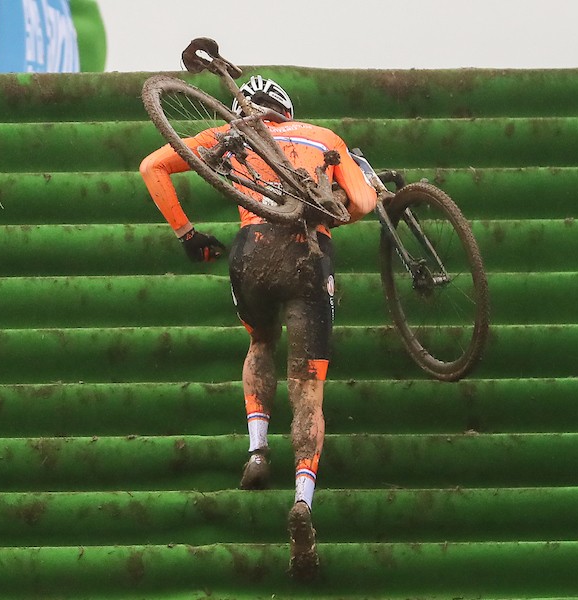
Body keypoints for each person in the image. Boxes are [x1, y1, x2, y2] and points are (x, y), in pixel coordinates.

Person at [140, 74, 377, 579]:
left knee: (260, 342)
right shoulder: (324, 139)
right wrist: (332, 214)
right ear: (288, 112)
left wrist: (186, 232)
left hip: (250, 253)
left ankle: (256, 450)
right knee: (308, 386)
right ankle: (303, 502)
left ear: (240, 107)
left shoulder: (232, 133)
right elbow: (364, 204)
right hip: (307, 256)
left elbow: (152, 166)